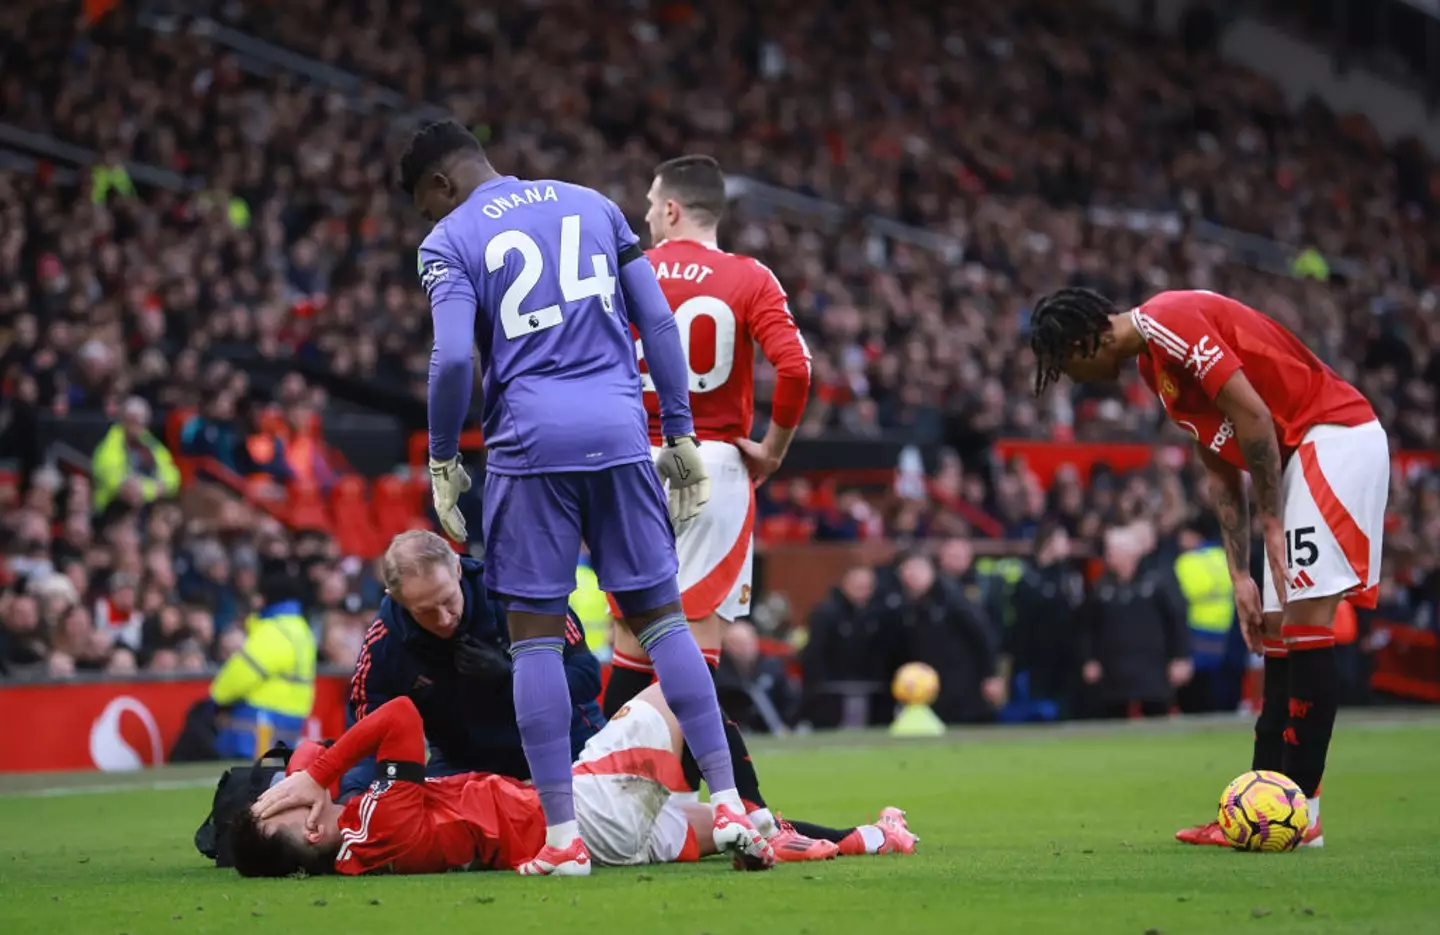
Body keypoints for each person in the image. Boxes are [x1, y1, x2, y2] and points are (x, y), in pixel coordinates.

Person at [400, 119, 763, 874]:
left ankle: (563, 838)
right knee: (664, 622)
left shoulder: (449, 240)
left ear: (438, 185)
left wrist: (441, 457)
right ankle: (729, 800)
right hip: (622, 430)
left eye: (425, 205)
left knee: (533, 635)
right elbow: (654, 319)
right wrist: (684, 430)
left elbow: (448, 364)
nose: (428, 220)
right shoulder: (593, 204)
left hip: (530, 444)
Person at [1029, 287, 1389, 848]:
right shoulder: (1155, 366)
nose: (1072, 379)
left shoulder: (1167, 321)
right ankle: (1260, 809)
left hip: (1331, 437)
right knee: (1275, 632)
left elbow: (1254, 415)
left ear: (1085, 341)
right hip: (1296, 458)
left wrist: (1271, 524)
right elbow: (1221, 465)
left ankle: (1303, 814)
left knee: (1305, 623)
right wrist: (1239, 572)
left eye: (1066, 364)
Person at [233, 689, 919, 877]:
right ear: (314, 827)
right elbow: (400, 714)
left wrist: (302, 778)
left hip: (604, 838)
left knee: (718, 825)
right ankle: (758, 820)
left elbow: (320, 754)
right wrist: (316, 772)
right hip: (585, 807)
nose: (297, 799)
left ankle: (875, 838)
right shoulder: (372, 819)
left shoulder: (350, 851)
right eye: (290, 810)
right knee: (684, 693)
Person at [604, 154, 812, 711]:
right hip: (714, 463)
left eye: (650, 205)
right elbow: (796, 368)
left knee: (631, 640)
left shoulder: (625, 272)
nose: (647, 216)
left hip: (630, 460)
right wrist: (772, 450)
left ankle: (613, 789)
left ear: (671, 209)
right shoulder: (749, 276)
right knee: (697, 643)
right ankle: (710, 792)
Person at [341, 530, 603, 800]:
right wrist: (353, 796)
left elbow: (587, 676)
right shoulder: (383, 642)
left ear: (457, 569)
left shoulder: (519, 594)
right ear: (397, 599)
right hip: (463, 762)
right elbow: (365, 737)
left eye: (447, 601)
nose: (443, 619)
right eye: (426, 611)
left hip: (564, 743)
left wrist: (512, 679)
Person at [1076, 526, 1192, 719]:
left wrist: (1181, 657)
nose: (1108, 556)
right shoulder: (1100, 588)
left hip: (1154, 671)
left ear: (1129, 553)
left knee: (1157, 720)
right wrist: (1088, 659)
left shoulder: (1158, 582)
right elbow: (1085, 627)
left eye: (1112, 551)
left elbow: (1177, 621)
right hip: (1113, 673)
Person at [208, 558, 317, 759]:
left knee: (247, 781)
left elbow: (242, 672)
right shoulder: (302, 630)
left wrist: (217, 698)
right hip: (293, 717)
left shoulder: (275, 630)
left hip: (261, 719)